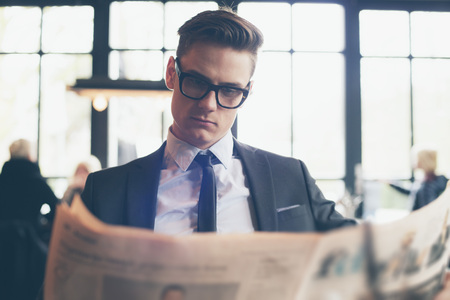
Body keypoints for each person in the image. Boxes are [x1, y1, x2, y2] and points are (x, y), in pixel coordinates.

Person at [81, 7, 355, 234]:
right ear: (171, 74)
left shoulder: (291, 177)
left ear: (246, 91)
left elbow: (362, 256)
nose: (209, 104)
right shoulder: (106, 191)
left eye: (230, 90)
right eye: (197, 82)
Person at [0, 139, 59, 240]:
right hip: (30, 243)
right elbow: (58, 208)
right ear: (29, 155)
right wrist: (43, 219)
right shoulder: (36, 181)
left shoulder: (2, 180)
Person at [388, 146, 448, 211]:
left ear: (423, 161)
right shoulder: (424, 179)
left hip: (423, 219)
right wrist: (392, 183)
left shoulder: (432, 182)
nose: (414, 162)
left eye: (416, 159)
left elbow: (429, 207)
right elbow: (411, 190)